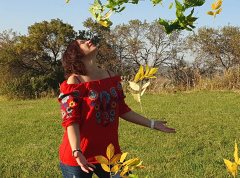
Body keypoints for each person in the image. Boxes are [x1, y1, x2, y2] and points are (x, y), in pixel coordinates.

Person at [58, 39, 176, 178]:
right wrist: (76, 151)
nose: (89, 40)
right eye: (82, 42)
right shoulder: (74, 82)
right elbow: (71, 121)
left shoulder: (110, 76)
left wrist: (151, 124)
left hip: (110, 154)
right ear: (75, 53)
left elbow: (122, 109)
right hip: (78, 157)